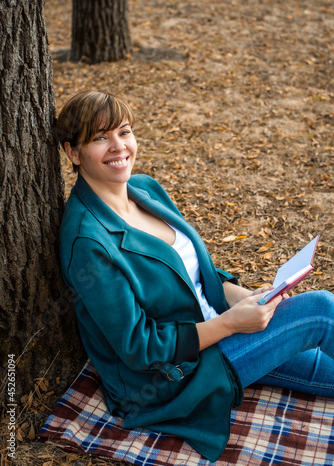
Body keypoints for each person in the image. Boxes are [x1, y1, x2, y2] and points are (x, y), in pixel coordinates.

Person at [56, 91, 334, 462]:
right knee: (319, 310)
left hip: (218, 327)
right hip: (174, 377)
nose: (118, 146)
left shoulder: (145, 189)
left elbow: (195, 270)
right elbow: (140, 347)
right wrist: (233, 325)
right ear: (73, 153)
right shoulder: (88, 240)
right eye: (99, 138)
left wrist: (242, 296)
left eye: (124, 131)